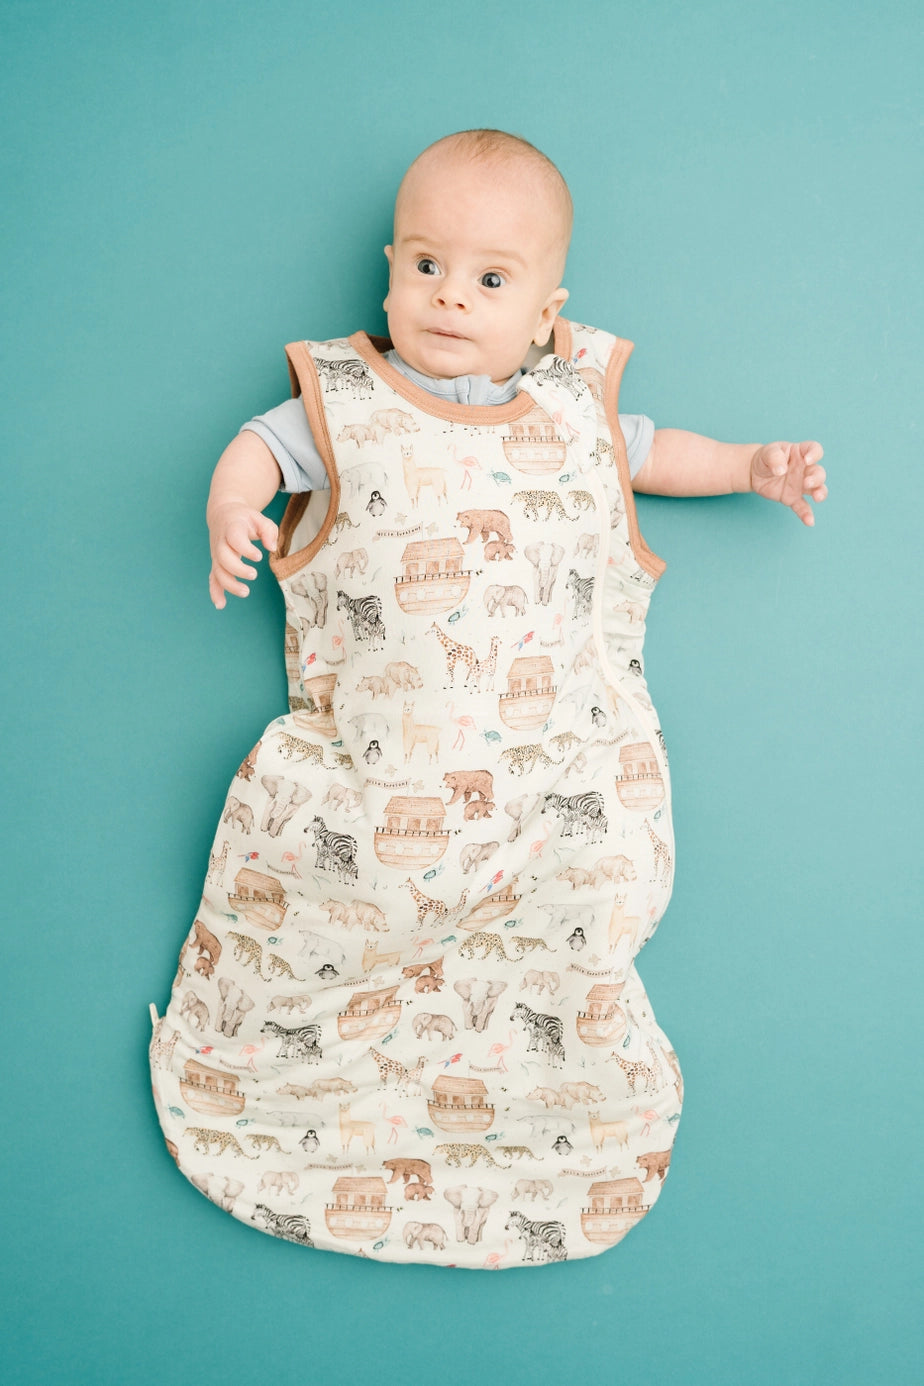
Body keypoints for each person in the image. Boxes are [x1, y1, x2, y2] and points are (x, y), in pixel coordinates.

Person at [150, 130, 826, 1268]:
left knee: (584, 896)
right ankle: (295, 1094)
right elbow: (259, 448)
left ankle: (542, 1111)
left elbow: (656, 454)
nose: (451, 296)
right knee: (347, 894)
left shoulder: (573, 411)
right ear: (389, 271)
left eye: (491, 279)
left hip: (554, 781)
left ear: (549, 313)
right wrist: (232, 510)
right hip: (386, 784)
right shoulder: (348, 404)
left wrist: (749, 464)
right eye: (427, 265)